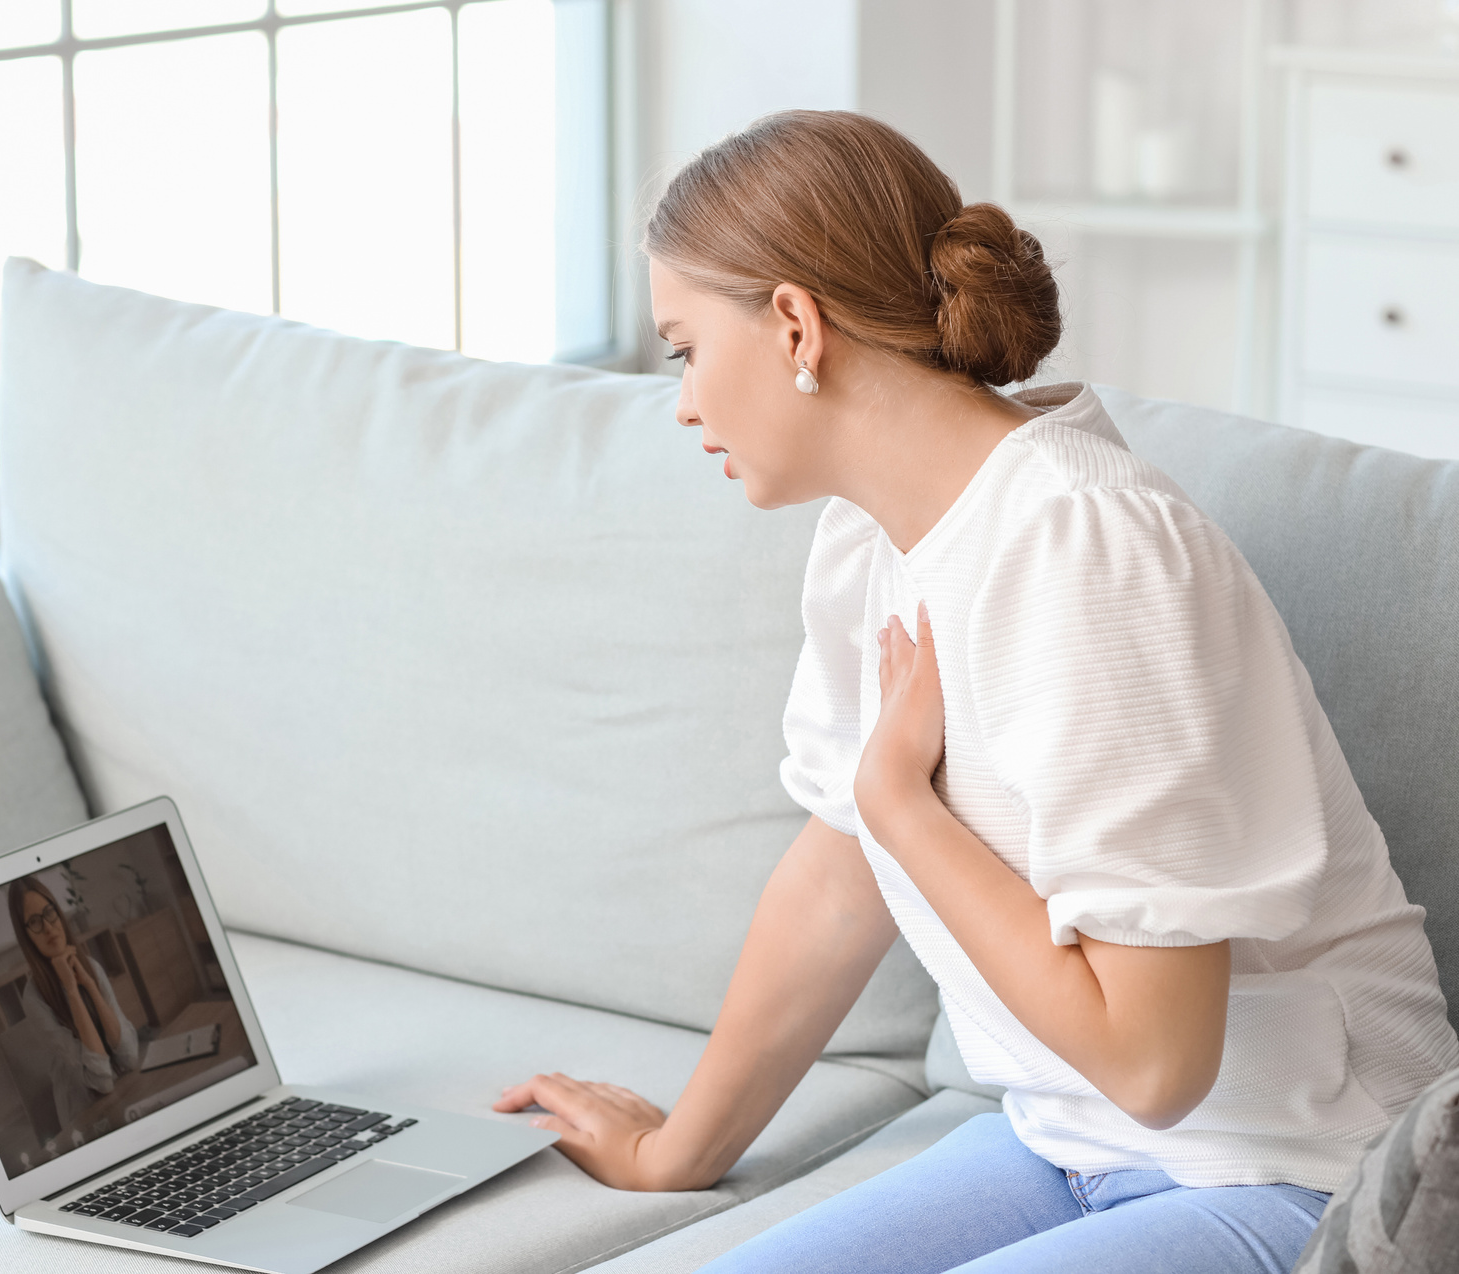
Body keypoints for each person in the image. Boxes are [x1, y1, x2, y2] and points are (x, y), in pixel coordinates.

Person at [494, 111, 1458, 1273]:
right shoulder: (871, 540)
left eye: (683, 348)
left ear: (794, 322)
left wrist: (902, 801)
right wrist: (670, 1153)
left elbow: (1155, 1063)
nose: (685, 401)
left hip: (1287, 1169)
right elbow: (837, 877)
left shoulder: (1090, 549)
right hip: (1060, 1144)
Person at [9, 875, 139, 1132]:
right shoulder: (33, 1000)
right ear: (26, 936)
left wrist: (88, 984)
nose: (48, 927)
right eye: (35, 921)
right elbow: (101, 1081)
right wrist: (71, 989)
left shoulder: (92, 968)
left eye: (50, 913)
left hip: (125, 1093)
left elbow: (130, 1056)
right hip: (86, 1116)